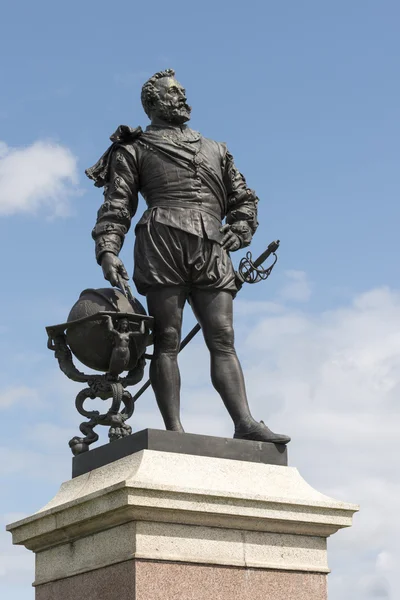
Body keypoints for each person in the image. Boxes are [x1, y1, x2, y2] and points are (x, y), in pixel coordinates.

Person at [86, 69, 290, 444]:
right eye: (173, 92)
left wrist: (241, 228)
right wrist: (108, 249)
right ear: (153, 103)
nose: (182, 97)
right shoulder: (134, 148)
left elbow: (243, 199)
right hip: (162, 242)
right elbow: (117, 205)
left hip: (211, 244)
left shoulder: (216, 149)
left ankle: (244, 421)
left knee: (223, 336)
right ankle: (175, 431)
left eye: (182, 91)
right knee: (167, 337)